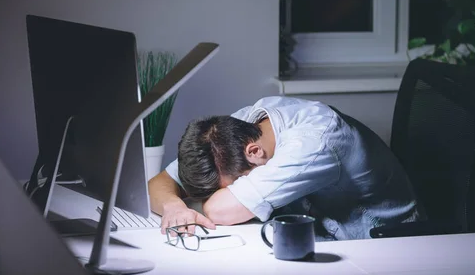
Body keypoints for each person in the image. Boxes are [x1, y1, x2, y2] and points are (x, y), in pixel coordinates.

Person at [148, 96, 423, 241]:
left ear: (254, 154)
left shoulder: (314, 144)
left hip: (378, 240)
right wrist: (174, 207)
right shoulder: (242, 128)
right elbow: (158, 182)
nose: (229, 191)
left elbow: (218, 210)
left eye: (232, 185)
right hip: (317, 224)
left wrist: (213, 201)